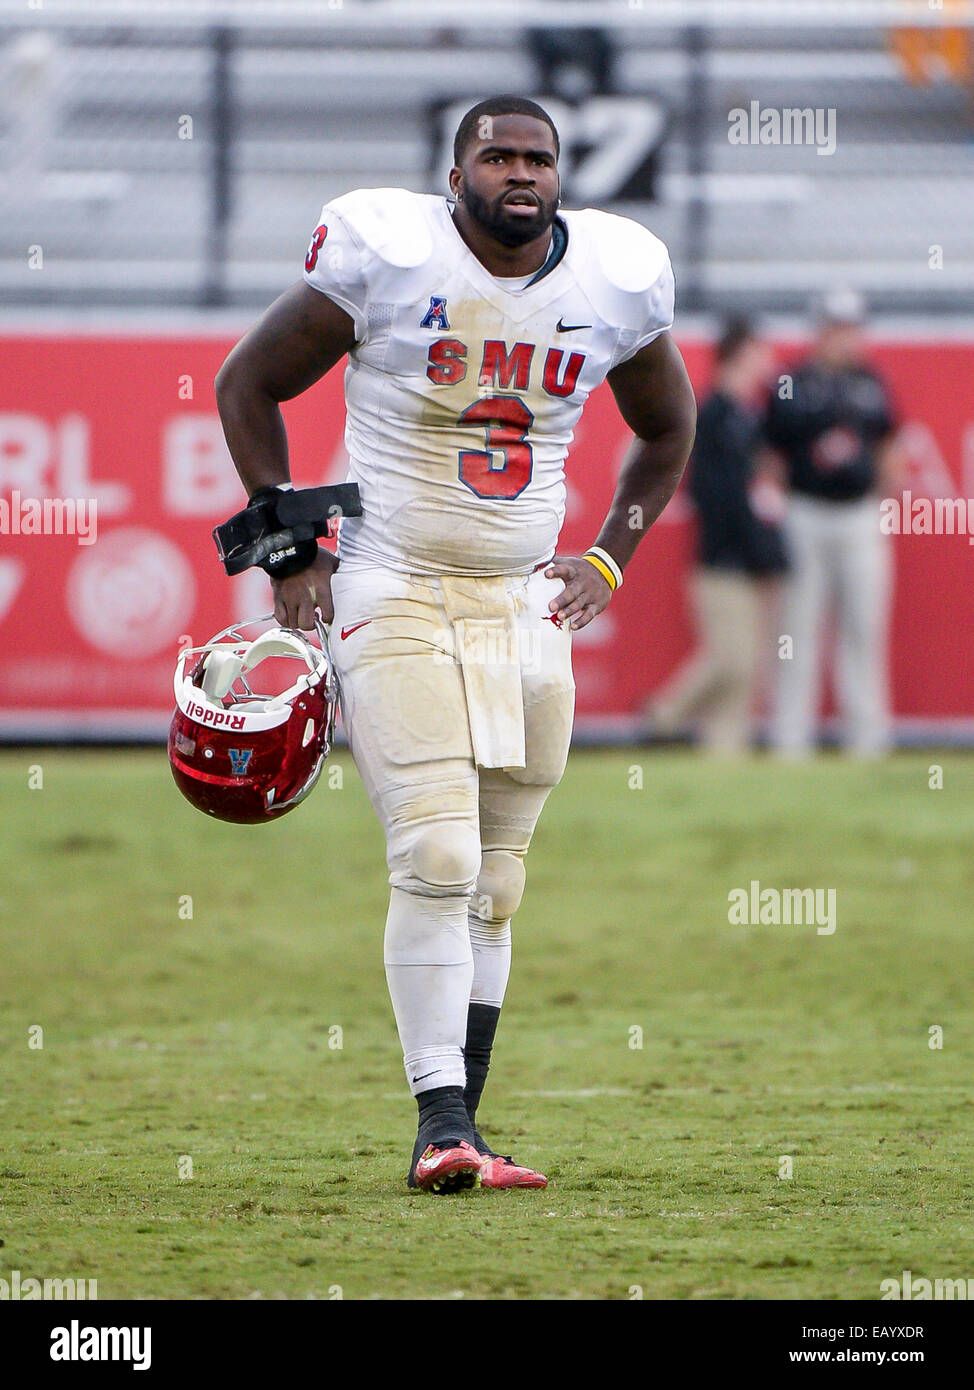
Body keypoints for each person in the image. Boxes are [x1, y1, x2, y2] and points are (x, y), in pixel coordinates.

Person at [214, 95, 696, 1193]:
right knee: (436, 855)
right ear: (453, 174)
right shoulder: (388, 253)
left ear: (559, 174)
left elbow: (668, 429)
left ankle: (464, 1126)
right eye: (496, 155)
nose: (518, 173)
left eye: (537, 157)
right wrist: (288, 546)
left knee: (497, 881)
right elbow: (249, 383)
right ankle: (438, 1122)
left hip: (520, 599)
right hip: (391, 578)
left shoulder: (615, 273)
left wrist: (609, 556)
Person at [766, 289, 901, 757]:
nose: (845, 338)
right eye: (836, 328)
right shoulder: (793, 382)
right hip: (807, 511)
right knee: (797, 628)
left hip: (858, 513)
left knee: (863, 627)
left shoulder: (872, 383)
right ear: (820, 331)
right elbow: (771, 451)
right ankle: (790, 739)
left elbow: (888, 444)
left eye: (851, 329)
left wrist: (882, 496)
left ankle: (867, 739)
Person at [646, 318, 787, 753]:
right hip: (722, 559)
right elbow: (720, 497)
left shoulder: (746, 416)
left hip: (742, 558)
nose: (769, 363)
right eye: (760, 352)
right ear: (741, 354)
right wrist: (761, 553)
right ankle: (661, 715)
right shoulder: (714, 415)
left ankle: (725, 751)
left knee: (744, 670)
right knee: (731, 659)